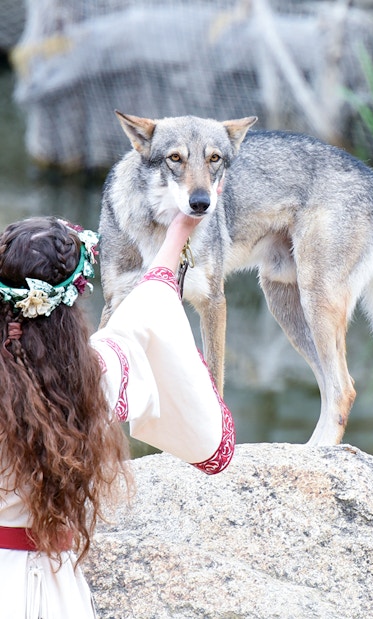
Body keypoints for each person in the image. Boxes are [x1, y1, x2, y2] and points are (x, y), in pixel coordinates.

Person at [0, 213, 235, 619]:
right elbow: (142, 320)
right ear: (70, 305)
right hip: (58, 596)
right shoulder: (94, 380)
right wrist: (179, 231)